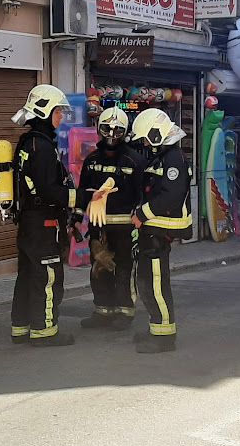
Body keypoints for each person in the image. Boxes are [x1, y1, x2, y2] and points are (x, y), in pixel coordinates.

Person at [10, 84, 80, 347]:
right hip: (43, 223)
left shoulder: (28, 143)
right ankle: (44, 331)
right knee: (48, 276)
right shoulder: (42, 146)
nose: (61, 117)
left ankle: (21, 327)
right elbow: (50, 190)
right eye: (57, 111)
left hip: (29, 222)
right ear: (44, 112)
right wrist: (80, 198)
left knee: (27, 275)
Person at [129, 109, 192, 353]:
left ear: (157, 134)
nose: (144, 143)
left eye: (146, 138)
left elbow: (172, 196)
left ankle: (164, 336)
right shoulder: (163, 157)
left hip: (159, 232)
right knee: (147, 283)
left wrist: (142, 214)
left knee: (155, 285)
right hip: (152, 231)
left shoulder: (173, 158)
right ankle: (157, 327)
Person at [77, 107, 145, 330]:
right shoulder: (92, 159)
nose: (112, 134)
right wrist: (76, 218)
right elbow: (82, 192)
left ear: (125, 132)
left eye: (117, 130)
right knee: (99, 268)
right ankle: (103, 311)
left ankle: (125, 311)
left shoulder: (134, 160)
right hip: (99, 226)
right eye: (107, 128)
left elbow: (142, 195)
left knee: (124, 269)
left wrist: (140, 222)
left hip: (125, 227)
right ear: (99, 128)